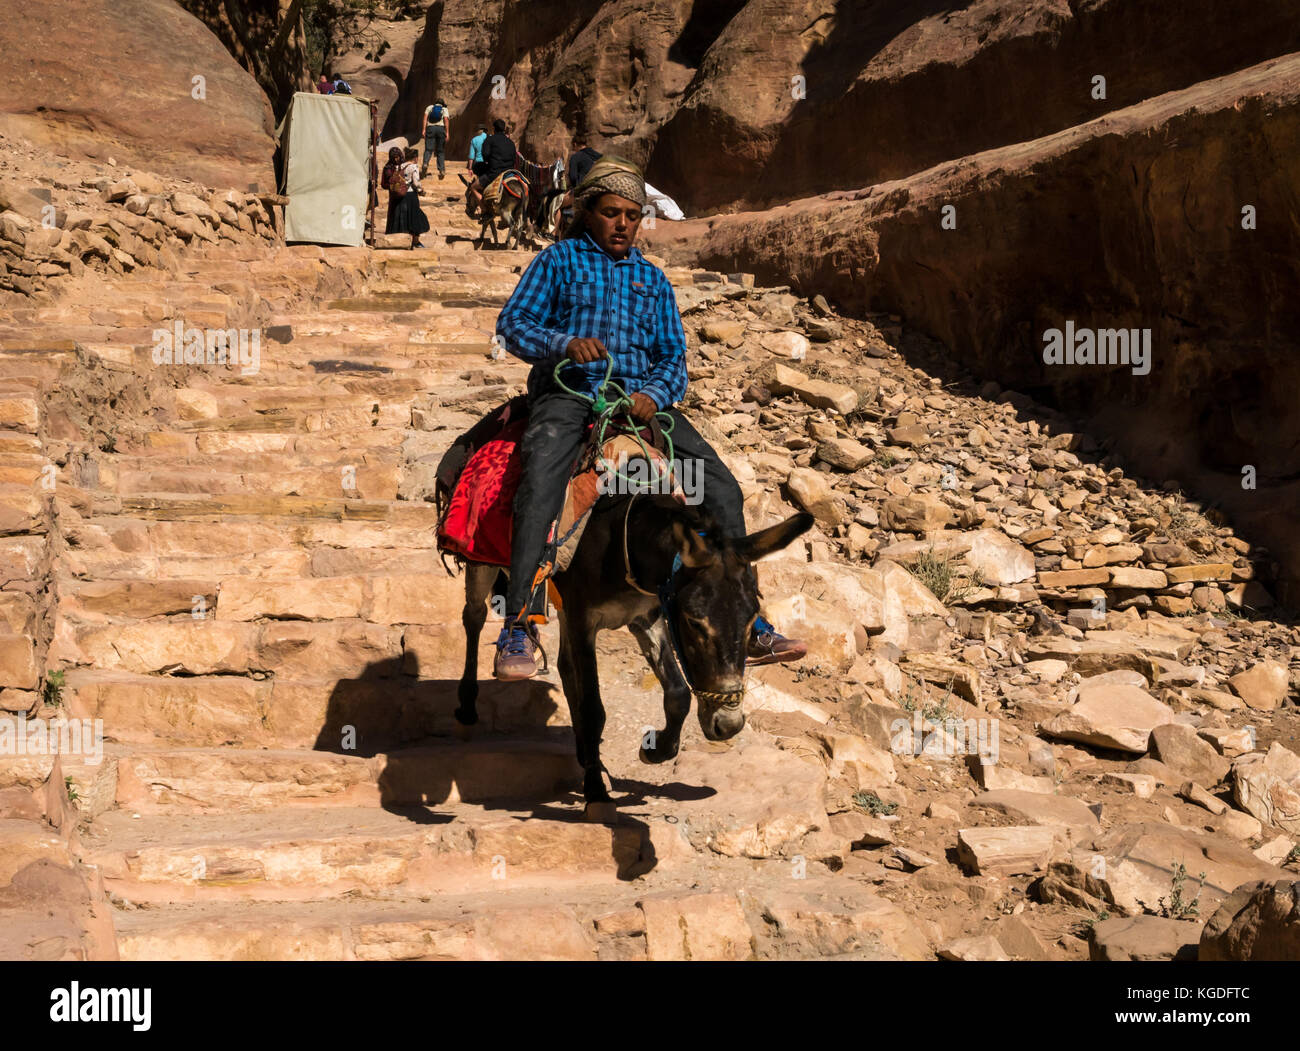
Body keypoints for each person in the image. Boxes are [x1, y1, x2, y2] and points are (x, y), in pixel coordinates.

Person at [491, 155, 806, 680]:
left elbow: (673, 359)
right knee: (542, 482)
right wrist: (563, 344)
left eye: (632, 216)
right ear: (588, 212)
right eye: (612, 213)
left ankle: (747, 621)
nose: (623, 225)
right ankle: (519, 621)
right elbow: (512, 325)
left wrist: (655, 395)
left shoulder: (652, 281)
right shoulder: (558, 262)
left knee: (720, 490)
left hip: (641, 410)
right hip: (571, 399)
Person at [466, 119, 517, 217]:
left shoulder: (490, 140)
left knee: (473, 187)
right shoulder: (510, 142)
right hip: (510, 172)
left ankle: (485, 210)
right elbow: (514, 158)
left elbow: (485, 156)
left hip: (495, 172)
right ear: (503, 129)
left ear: (494, 129)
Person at [383, 146, 429, 249]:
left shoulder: (399, 166)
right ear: (415, 157)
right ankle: (415, 242)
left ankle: (402, 241)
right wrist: (421, 191)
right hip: (411, 196)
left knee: (403, 218)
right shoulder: (414, 167)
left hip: (401, 195)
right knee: (416, 218)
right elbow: (416, 183)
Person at [421, 98, 449, 179]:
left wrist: (423, 129)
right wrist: (447, 132)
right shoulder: (444, 109)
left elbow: (425, 118)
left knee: (428, 149)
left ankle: (425, 163)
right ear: (442, 104)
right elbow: (446, 120)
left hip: (430, 128)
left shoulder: (429, 107)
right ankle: (442, 170)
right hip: (441, 129)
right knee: (440, 151)